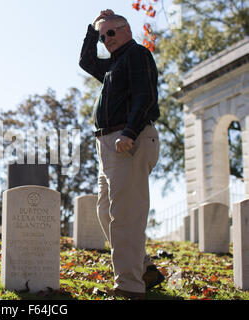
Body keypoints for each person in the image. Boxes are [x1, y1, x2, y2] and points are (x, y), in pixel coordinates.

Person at [79, 9, 165, 300]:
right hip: (108, 145)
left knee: (125, 216)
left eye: (111, 33)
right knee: (105, 211)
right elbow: (86, 60)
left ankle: (128, 288)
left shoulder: (137, 54)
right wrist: (93, 30)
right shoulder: (113, 65)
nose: (106, 40)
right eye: (103, 37)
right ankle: (143, 269)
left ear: (126, 29)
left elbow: (145, 96)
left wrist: (129, 132)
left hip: (129, 140)